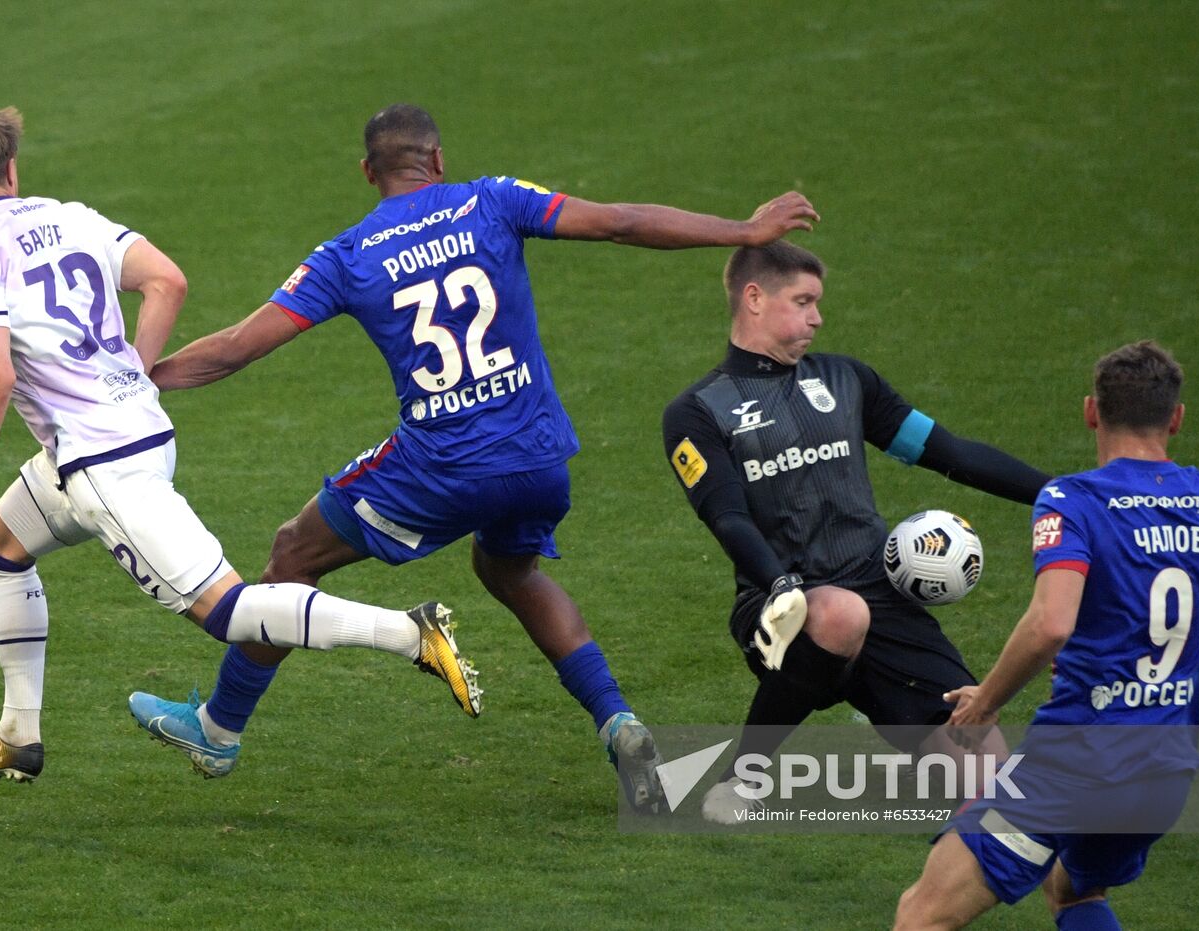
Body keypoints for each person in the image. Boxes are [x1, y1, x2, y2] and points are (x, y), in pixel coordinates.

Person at [125, 103, 820, 811]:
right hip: (541, 459)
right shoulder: (494, 200)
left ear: (369, 172)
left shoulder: (350, 253)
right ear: (437, 160)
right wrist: (746, 229)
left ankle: (217, 728)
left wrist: (133, 378)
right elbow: (620, 221)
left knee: (290, 556)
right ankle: (620, 722)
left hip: (442, 469)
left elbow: (239, 346)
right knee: (509, 568)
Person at [0, 103, 476, 783]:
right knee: (2, 541)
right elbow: (166, 280)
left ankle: (411, 633)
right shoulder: (70, 216)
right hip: (132, 432)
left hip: (103, 467)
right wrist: (133, 372)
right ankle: (17, 736)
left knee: (230, 611)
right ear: (11, 167)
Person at [660, 241, 1050, 822]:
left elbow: (951, 454)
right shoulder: (698, 410)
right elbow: (727, 517)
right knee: (840, 615)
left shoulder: (847, 382)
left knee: (989, 771)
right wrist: (780, 586)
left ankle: (887, 718)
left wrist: (1062, 494)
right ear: (754, 299)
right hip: (780, 605)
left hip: (881, 595)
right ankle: (745, 777)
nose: (818, 316)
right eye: (804, 301)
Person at [894, 341, 1199, 930]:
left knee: (922, 915)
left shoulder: (1074, 502)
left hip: (1072, 766)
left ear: (1091, 411)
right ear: (1177, 418)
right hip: (1164, 773)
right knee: (1072, 891)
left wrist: (984, 703)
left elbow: (1051, 623)